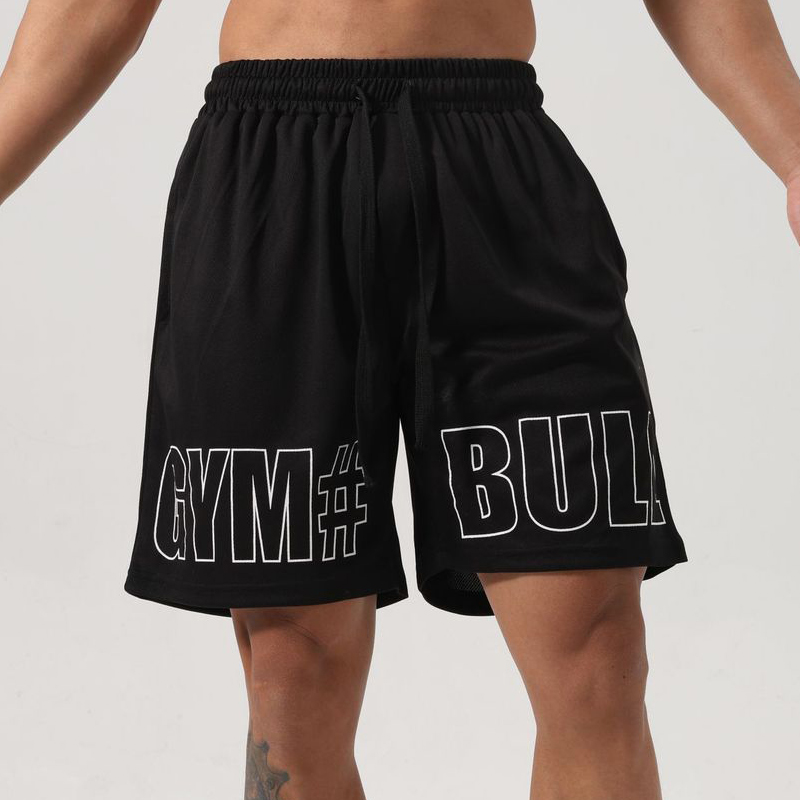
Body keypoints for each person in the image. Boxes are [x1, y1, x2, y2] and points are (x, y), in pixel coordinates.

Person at [1, 1, 798, 798]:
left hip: (496, 173)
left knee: (596, 653)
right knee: (293, 673)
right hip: (274, 176)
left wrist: (795, 153)